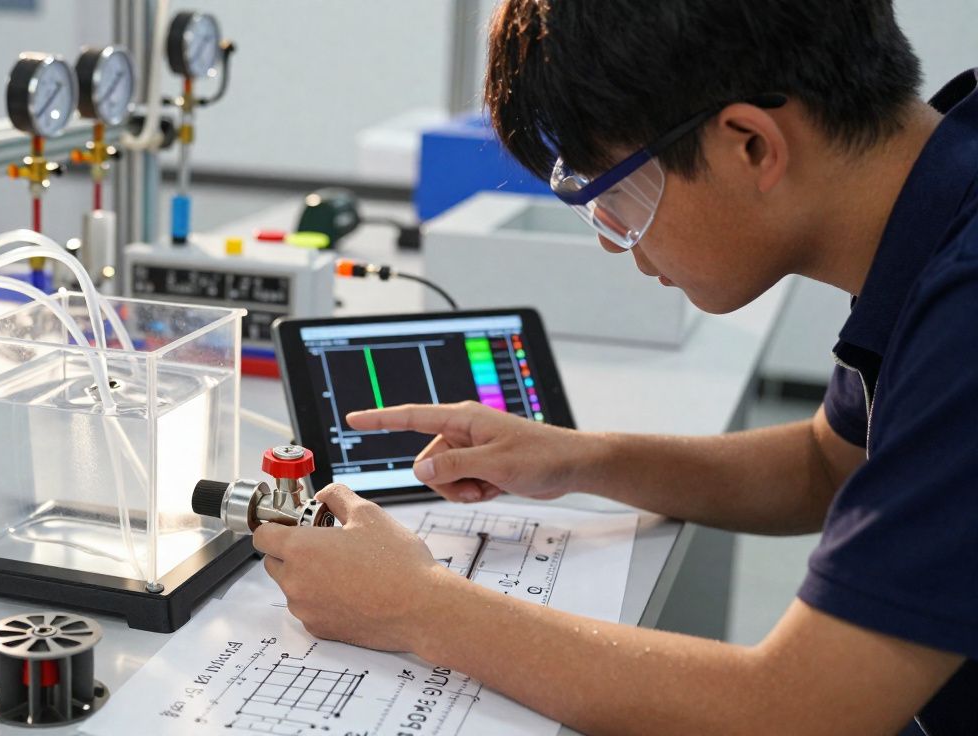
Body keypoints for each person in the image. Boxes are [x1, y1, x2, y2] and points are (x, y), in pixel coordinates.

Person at [251, 1, 978, 734]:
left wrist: (414, 604)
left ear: (751, 146)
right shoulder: (940, 193)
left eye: (620, 198)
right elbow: (830, 465)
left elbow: (800, 710)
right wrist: (578, 458)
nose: (613, 244)